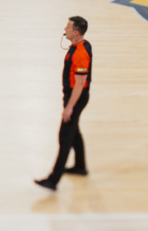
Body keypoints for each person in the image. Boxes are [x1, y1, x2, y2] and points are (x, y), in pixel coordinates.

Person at [35, 16, 92, 190]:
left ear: (76, 33)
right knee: (74, 131)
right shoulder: (82, 45)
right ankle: (80, 166)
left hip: (76, 97)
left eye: (67, 27)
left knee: (65, 136)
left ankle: (53, 180)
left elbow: (80, 84)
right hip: (73, 95)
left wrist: (69, 106)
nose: (64, 30)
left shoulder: (80, 54)